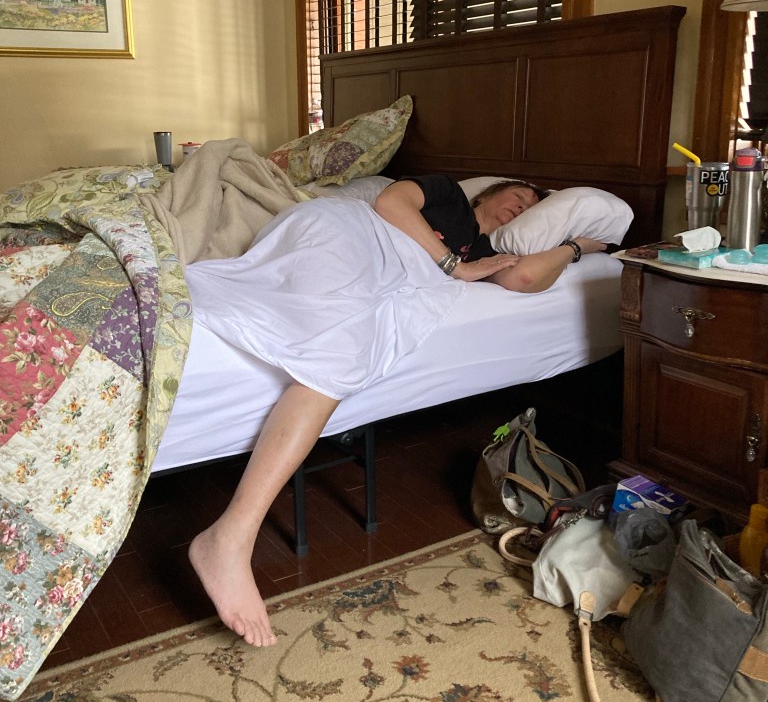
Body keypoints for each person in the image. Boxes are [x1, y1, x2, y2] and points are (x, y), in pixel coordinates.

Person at [188, 174, 607, 647]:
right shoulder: (449, 197)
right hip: (346, 229)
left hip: (381, 265)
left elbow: (527, 278)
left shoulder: (487, 250)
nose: (523, 206)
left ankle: (231, 537)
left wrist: (575, 247)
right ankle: (230, 539)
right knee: (334, 343)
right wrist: (455, 267)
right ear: (487, 193)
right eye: (520, 194)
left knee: (341, 353)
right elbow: (391, 201)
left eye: (532, 208)